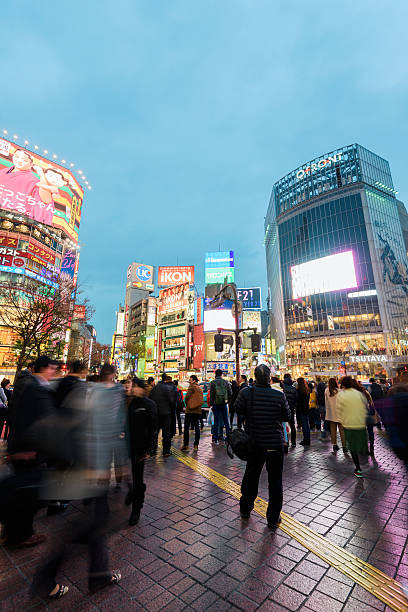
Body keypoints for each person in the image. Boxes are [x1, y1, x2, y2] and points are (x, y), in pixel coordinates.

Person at [4, 356, 58, 548]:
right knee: (29, 495)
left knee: (23, 491)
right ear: (44, 368)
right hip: (29, 451)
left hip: (24, 447)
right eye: (53, 368)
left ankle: (11, 531)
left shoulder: (25, 384)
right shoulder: (35, 389)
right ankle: (21, 534)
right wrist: (29, 449)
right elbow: (32, 421)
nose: (55, 372)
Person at [235, 364, 291, 529]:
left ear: (255, 377)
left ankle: (245, 508)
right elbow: (287, 415)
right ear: (269, 377)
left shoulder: (247, 392)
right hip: (275, 444)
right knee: (275, 481)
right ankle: (273, 519)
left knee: (251, 476)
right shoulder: (279, 395)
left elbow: (237, 409)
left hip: (255, 443)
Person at [126, 377, 157, 525]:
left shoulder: (149, 404)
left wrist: (149, 448)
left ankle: (136, 509)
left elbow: (153, 428)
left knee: (137, 477)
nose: (131, 389)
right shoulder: (131, 403)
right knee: (132, 475)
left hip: (141, 447)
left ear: (140, 388)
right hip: (128, 445)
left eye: (133, 386)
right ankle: (135, 490)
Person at [337, 377, 370, 478]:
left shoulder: (341, 395)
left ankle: (358, 469)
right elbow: (366, 406)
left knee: (353, 447)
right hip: (360, 423)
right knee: (361, 444)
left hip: (349, 424)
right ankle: (365, 459)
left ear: (342, 384)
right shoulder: (358, 393)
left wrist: (341, 421)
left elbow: (339, 410)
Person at [150, 374, 177, 457]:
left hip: (156, 413)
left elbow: (150, 399)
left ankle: (152, 450)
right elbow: (172, 401)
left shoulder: (154, 388)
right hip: (166, 413)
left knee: (155, 432)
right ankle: (166, 451)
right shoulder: (168, 388)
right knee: (166, 433)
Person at [181, 375, 203, 452]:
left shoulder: (191, 387)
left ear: (193, 380)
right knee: (197, 427)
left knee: (187, 427)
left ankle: (186, 445)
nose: (189, 381)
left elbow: (186, 397)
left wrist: (187, 404)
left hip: (190, 410)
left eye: (190, 380)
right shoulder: (200, 388)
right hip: (197, 410)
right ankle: (196, 445)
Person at [324, 378, 347, 453]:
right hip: (340, 413)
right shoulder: (340, 391)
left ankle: (334, 445)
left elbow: (326, 402)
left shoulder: (327, 390)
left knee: (333, 430)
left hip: (331, 414)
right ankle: (344, 446)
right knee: (342, 431)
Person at [209, 369, 231, 445]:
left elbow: (211, 395)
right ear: (221, 374)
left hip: (216, 404)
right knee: (226, 420)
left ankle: (216, 438)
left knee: (216, 421)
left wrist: (211, 404)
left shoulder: (212, 382)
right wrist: (227, 400)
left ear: (215, 374)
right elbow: (230, 393)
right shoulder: (226, 382)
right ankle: (228, 436)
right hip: (224, 404)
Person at [282, 373, 297, 447]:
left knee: (284, 426)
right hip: (291, 409)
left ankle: (286, 441)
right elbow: (296, 400)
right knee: (292, 426)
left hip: (283, 409)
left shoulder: (282, 388)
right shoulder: (294, 388)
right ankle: (293, 442)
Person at [297, 378, 311, 446]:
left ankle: (306, 440)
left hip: (301, 409)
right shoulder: (307, 389)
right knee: (306, 424)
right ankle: (307, 439)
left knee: (304, 424)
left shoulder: (299, 391)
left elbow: (298, 401)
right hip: (306, 408)